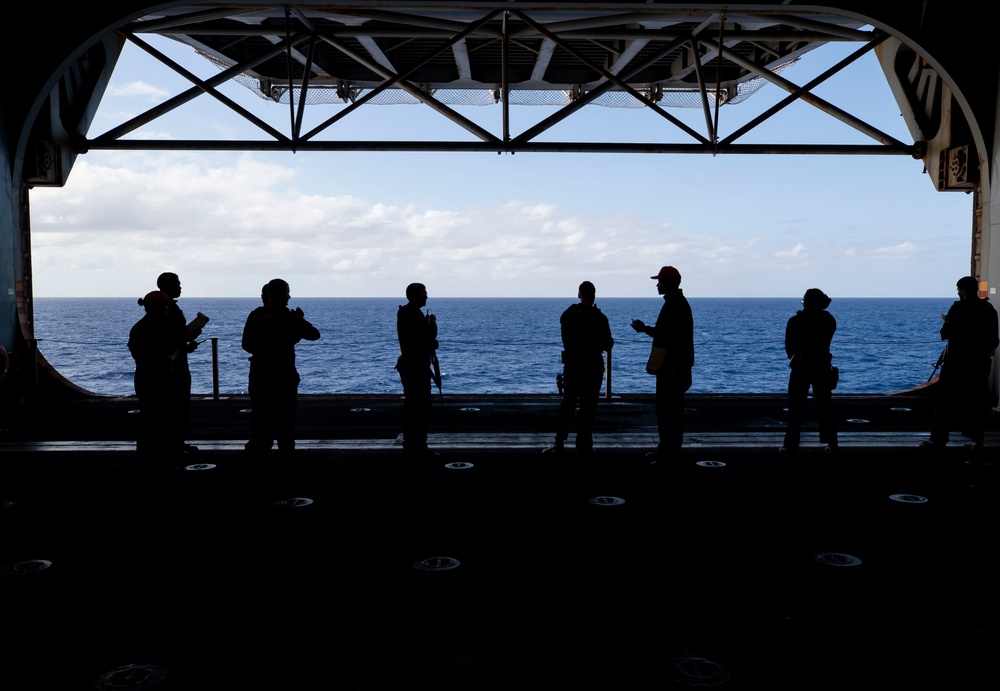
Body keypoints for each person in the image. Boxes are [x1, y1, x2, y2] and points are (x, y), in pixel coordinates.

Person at [241, 278, 321, 458]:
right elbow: (314, 335)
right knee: (285, 421)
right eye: (286, 292)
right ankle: (286, 460)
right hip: (283, 376)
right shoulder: (289, 317)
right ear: (278, 293)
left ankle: (261, 460)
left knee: (261, 419)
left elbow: (246, 344)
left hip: (260, 375)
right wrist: (299, 323)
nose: (289, 296)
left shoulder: (255, 315)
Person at [922, 276, 999, 452]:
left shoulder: (958, 308)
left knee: (944, 403)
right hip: (979, 364)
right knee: (976, 404)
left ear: (963, 290)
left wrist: (947, 322)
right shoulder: (988, 309)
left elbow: (945, 333)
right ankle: (975, 441)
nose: (958, 293)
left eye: (958, 289)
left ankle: (938, 440)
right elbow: (994, 340)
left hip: (956, 363)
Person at [631, 266, 694, 466]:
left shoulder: (675, 304)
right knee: (668, 413)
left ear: (669, 283)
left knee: (670, 414)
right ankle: (666, 451)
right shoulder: (676, 303)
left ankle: (669, 455)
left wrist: (645, 330)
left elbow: (671, 337)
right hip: (672, 368)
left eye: (660, 281)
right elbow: (669, 334)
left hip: (672, 370)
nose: (657, 285)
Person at [544, 281, 614, 458]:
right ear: (594, 295)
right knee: (588, 408)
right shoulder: (600, 318)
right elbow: (608, 344)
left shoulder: (568, 315)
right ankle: (584, 447)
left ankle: (559, 443)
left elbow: (566, 340)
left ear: (579, 294)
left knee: (568, 405)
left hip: (573, 366)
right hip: (593, 367)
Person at [780, 288, 838, 454]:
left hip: (801, 367)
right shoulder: (829, 320)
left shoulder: (795, 321)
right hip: (822, 365)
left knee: (796, 407)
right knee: (826, 406)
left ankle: (790, 445)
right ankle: (832, 444)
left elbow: (789, 348)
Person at [128, 290, 182, 461]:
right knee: (159, 419)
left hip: (145, 378)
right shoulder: (155, 328)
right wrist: (178, 350)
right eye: (166, 306)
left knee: (149, 420)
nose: (168, 309)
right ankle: (159, 457)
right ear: (158, 307)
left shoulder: (140, 327)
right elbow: (164, 356)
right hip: (157, 380)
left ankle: (149, 456)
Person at [156, 272, 205, 456]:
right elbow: (171, 340)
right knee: (177, 407)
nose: (180, 287)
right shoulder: (169, 310)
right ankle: (174, 446)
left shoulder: (164, 310)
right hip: (175, 367)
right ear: (168, 287)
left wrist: (186, 340)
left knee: (174, 408)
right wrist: (188, 339)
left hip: (174, 363)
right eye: (177, 284)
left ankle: (175, 444)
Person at [395, 282, 439, 460]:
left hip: (413, 366)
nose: (426, 296)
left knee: (415, 408)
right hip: (416, 368)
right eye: (423, 294)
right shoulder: (412, 315)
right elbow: (429, 336)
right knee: (419, 409)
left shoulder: (407, 313)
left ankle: (413, 447)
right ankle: (417, 449)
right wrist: (433, 323)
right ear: (414, 296)